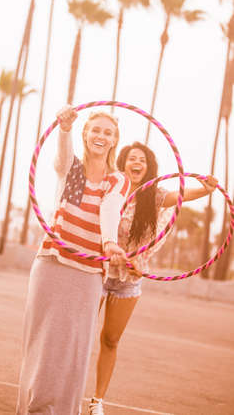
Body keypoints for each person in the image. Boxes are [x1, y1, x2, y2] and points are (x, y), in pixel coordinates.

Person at [16, 106, 131, 415]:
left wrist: (109, 243)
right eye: (96, 130)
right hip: (51, 262)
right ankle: (31, 409)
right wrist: (64, 129)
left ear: (114, 140)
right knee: (39, 341)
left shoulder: (117, 180)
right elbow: (62, 160)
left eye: (108, 132)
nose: (101, 136)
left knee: (73, 347)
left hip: (88, 271)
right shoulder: (73, 168)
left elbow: (110, 209)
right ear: (86, 133)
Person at [88, 141, 218, 415]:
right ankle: (69, 389)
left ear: (148, 169)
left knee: (110, 340)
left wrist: (206, 189)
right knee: (81, 335)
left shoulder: (155, 196)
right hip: (98, 271)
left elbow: (182, 195)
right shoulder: (111, 190)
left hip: (129, 277)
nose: (137, 163)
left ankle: (96, 401)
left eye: (143, 160)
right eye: (132, 158)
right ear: (123, 163)